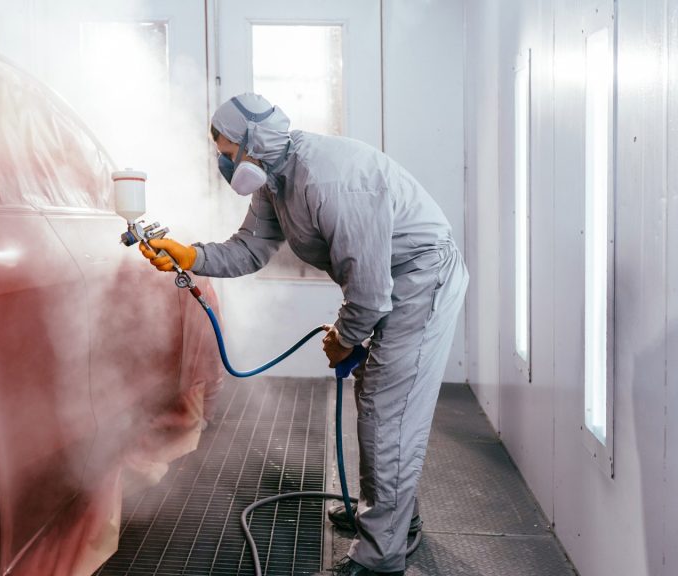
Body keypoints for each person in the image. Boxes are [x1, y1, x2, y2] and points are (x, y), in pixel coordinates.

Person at [139, 93, 468, 576]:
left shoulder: (330, 180)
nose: (222, 161)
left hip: (421, 278)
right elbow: (251, 248)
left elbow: (371, 291)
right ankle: (394, 520)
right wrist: (191, 256)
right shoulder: (275, 179)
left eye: (227, 151)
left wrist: (345, 337)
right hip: (388, 282)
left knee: (387, 407)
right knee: (380, 403)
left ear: (254, 144)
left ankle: (382, 558)